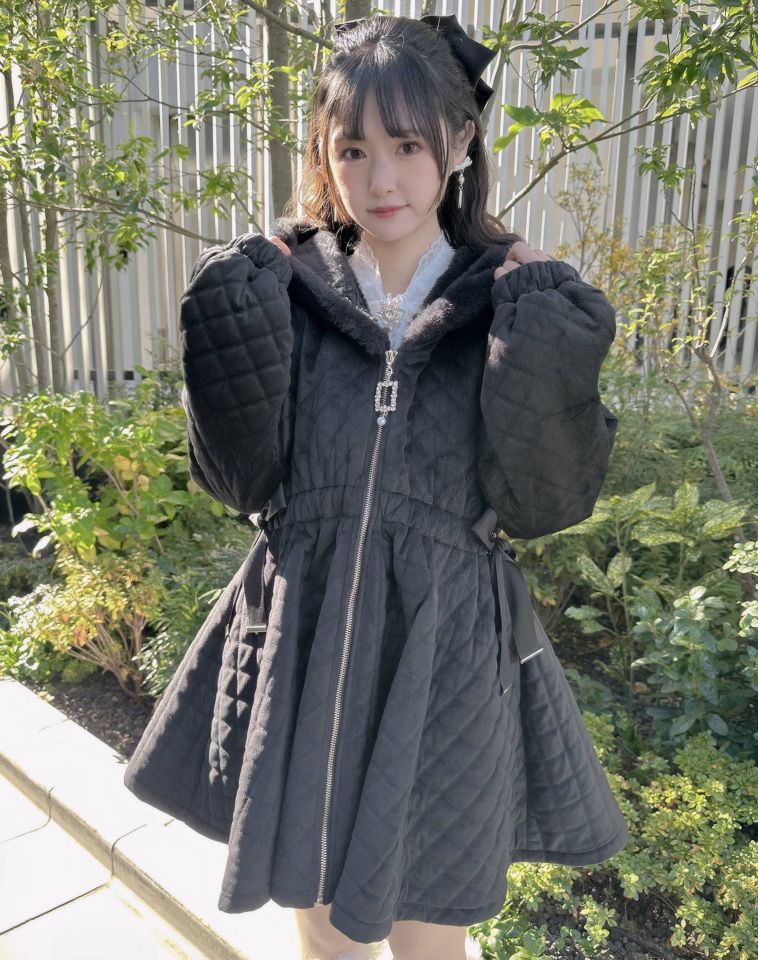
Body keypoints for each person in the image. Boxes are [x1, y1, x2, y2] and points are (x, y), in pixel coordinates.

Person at [123, 14, 630, 960]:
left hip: (443, 653)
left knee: (429, 936)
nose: (380, 179)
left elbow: (543, 503)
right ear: (323, 151)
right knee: (321, 931)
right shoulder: (290, 289)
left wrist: (541, 336)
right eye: (352, 149)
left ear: (460, 142)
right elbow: (239, 482)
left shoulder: (503, 298)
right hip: (302, 632)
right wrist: (236, 315)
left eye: (406, 146)